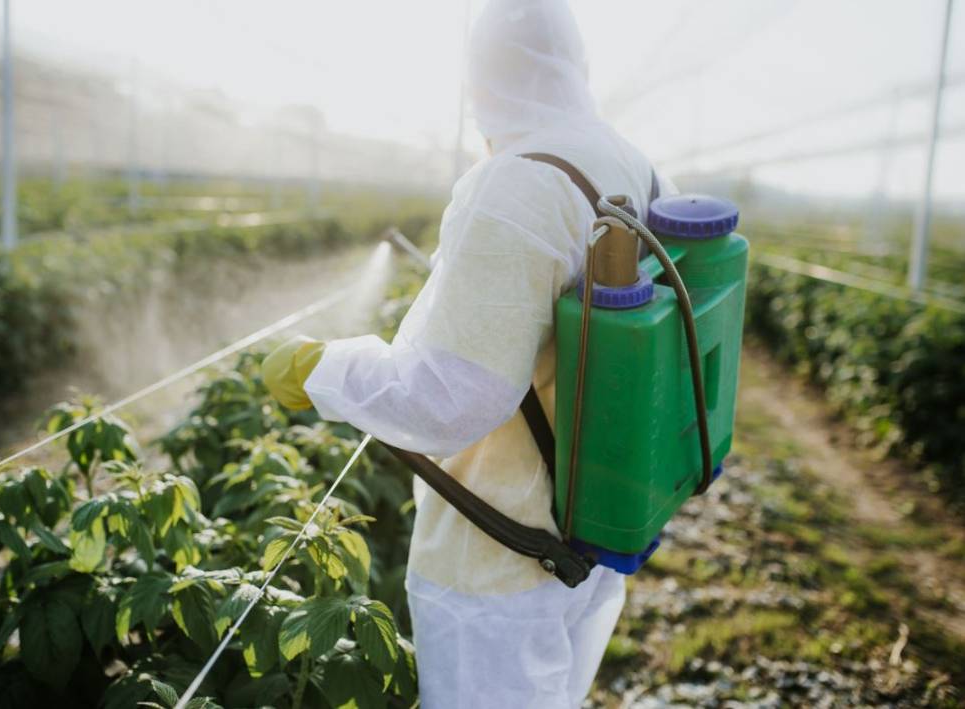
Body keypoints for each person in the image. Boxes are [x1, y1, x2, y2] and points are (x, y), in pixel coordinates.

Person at [263, 0, 675, 706]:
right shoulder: (630, 163)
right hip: (590, 526)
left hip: (497, 562)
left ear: (477, 83)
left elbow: (451, 397)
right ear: (578, 67)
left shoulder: (517, 185)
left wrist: (323, 370)